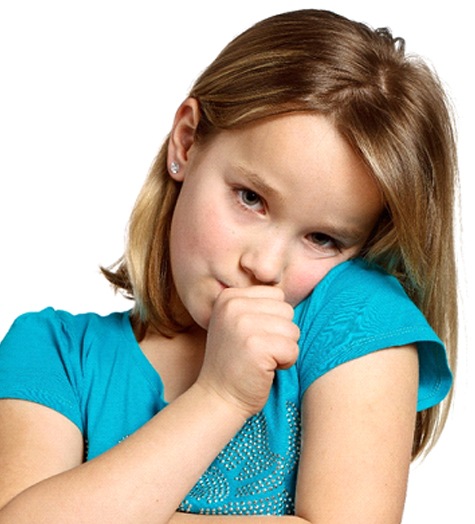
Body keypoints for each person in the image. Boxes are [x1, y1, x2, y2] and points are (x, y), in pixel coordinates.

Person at [0, 8, 457, 523]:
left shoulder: (355, 318)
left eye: (322, 238)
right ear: (187, 141)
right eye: (250, 198)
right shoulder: (52, 352)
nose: (264, 265)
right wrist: (220, 396)